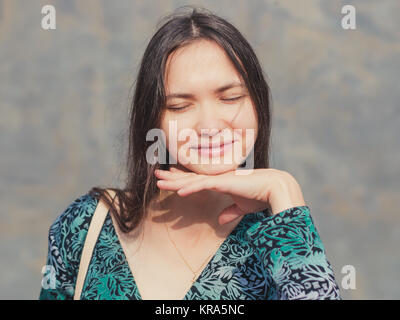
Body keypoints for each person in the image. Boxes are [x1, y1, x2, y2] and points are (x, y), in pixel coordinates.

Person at [39, 6, 342, 300]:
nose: (209, 125)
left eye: (230, 97)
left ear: (258, 105)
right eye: (180, 106)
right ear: (152, 119)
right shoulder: (85, 226)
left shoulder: (281, 239)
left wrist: (283, 188)